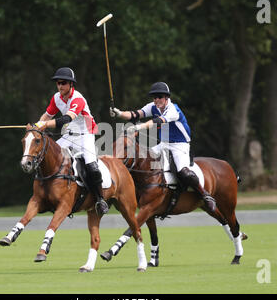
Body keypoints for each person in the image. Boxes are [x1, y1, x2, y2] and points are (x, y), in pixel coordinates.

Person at [109, 81, 216, 213]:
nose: (157, 100)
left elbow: (157, 121)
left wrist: (139, 127)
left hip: (179, 145)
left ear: (166, 97)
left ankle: (205, 194)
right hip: (163, 144)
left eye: (160, 97)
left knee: (183, 172)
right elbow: (135, 114)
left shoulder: (173, 110)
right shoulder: (153, 106)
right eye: (154, 97)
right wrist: (119, 113)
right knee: (142, 161)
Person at [35, 67, 109, 215]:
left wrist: (46, 125)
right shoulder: (57, 98)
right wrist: (37, 126)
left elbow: (67, 118)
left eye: (63, 83)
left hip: (86, 133)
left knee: (91, 165)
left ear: (70, 84)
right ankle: (49, 194)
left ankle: (101, 200)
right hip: (70, 134)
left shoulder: (78, 99)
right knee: (49, 155)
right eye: (58, 83)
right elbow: (47, 115)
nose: (60, 86)